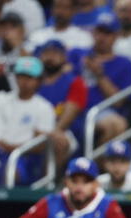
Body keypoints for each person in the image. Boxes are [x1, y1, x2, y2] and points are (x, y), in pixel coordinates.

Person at [0, 56, 55, 185]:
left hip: (24, 156)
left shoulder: (44, 107)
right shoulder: (3, 98)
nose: (24, 81)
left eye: (29, 77)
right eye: (21, 76)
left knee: (12, 170)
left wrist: (11, 148)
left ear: (38, 80)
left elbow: (40, 145)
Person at [70, 12, 131, 145]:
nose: (101, 37)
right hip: (72, 109)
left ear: (116, 36)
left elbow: (118, 101)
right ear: (93, 32)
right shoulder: (76, 54)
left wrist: (99, 74)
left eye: (107, 33)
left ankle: (99, 164)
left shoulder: (124, 63)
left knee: (117, 124)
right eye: (99, 31)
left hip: (100, 111)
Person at [37, 40, 88, 169]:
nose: (51, 57)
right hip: (37, 129)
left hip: (66, 131)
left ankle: (47, 182)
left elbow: (72, 110)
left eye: (55, 53)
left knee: (59, 140)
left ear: (64, 57)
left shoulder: (74, 81)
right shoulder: (35, 82)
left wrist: (55, 131)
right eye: (47, 53)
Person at [25, 0, 93, 53]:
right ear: (52, 10)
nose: (61, 12)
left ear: (73, 11)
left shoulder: (83, 37)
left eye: (66, 8)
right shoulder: (38, 35)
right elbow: (26, 53)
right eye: (58, 7)